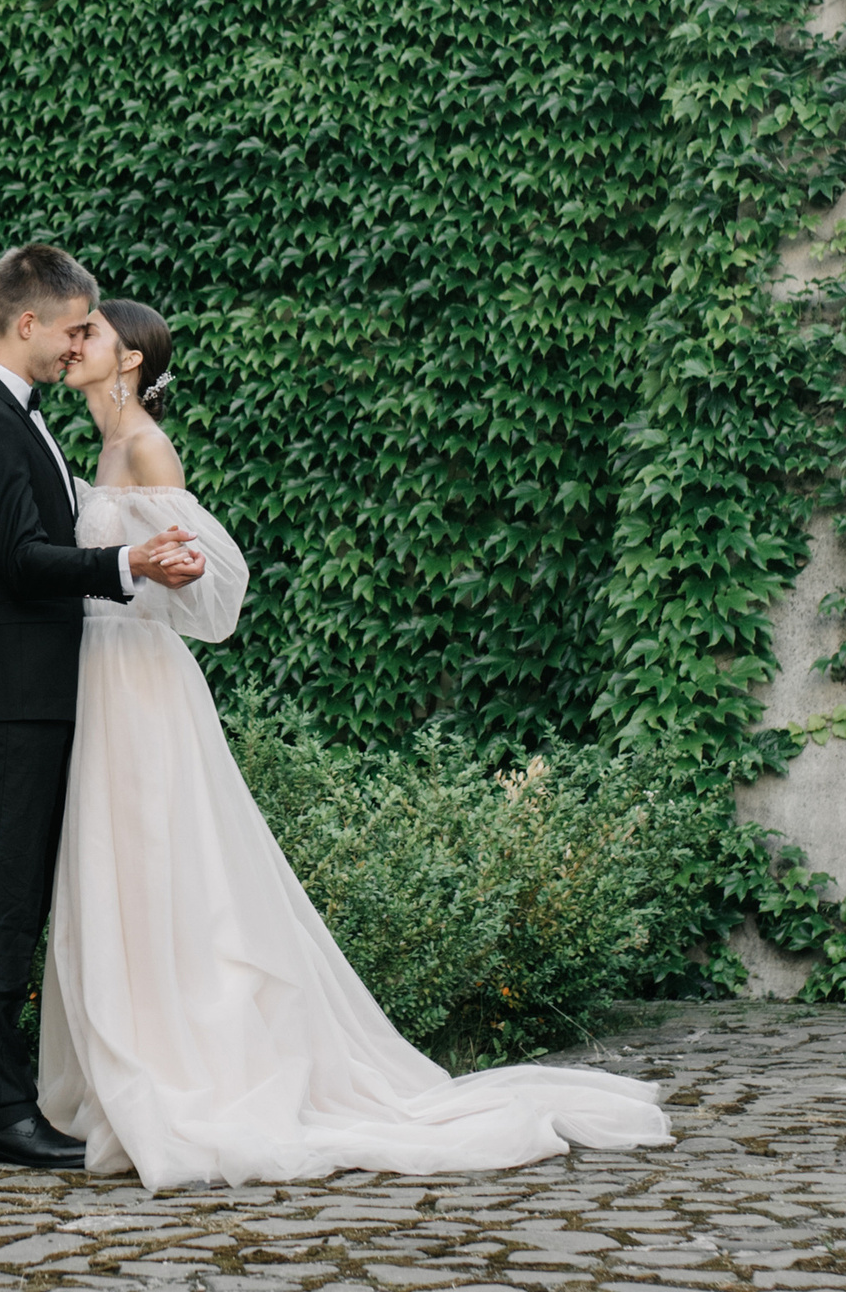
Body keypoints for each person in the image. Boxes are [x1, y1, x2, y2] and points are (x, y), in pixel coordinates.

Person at [35, 296, 674, 1190]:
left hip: (139, 681)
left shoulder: (146, 445)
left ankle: (183, 1059)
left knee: (160, 859)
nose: (76, 342)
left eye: (92, 332)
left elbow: (211, 581)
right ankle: (127, 1047)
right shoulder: (98, 446)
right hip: (98, 674)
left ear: (130, 358)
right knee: (120, 865)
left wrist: (166, 575)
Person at [0, 246, 209, 1170]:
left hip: (37, 686)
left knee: (5, 891)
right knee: (5, 901)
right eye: (74, 328)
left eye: (91, 332)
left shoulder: (15, 415)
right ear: (27, 321)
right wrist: (129, 564)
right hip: (15, 692)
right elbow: (22, 558)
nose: (81, 343)